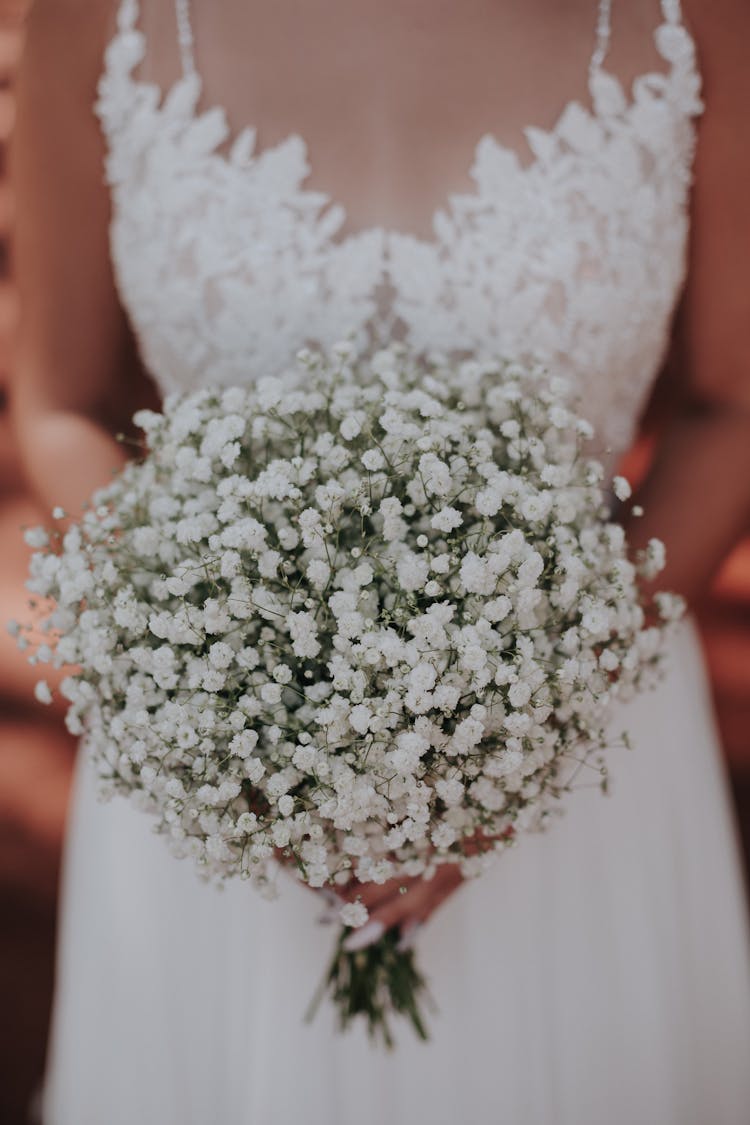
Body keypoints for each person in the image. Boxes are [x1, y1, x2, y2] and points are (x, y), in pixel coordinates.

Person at [10, 1, 750, 1122]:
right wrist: (218, 667)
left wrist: (527, 725)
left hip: (586, 761)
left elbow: (732, 405)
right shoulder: (99, 17)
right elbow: (61, 401)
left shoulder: (699, 17)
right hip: (222, 771)